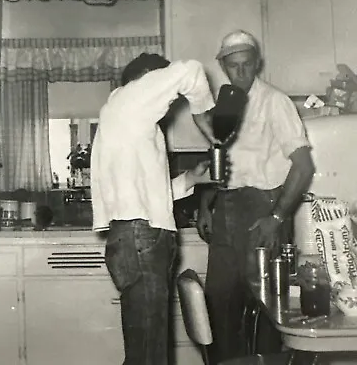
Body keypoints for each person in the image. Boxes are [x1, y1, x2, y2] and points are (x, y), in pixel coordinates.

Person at [90, 53, 219, 365]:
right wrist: (212, 130)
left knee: (145, 350)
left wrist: (191, 178)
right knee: (149, 355)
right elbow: (191, 70)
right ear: (146, 79)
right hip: (141, 238)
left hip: (137, 237)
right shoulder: (130, 101)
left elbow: (147, 194)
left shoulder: (126, 120)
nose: (170, 102)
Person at [196, 30, 315, 363]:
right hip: (227, 210)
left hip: (263, 207)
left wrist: (277, 218)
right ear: (223, 66)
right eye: (233, 66)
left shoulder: (275, 102)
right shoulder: (225, 104)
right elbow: (223, 160)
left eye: (247, 65)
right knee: (218, 303)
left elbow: (303, 167)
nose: (241, 73)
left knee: (265, 308)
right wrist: (208, 201)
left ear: (257, 63)